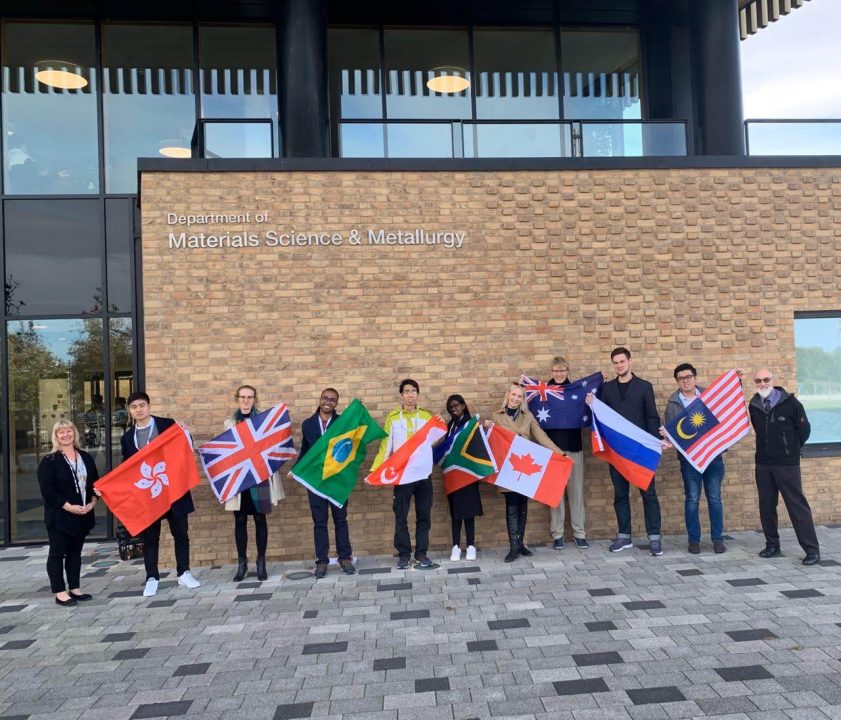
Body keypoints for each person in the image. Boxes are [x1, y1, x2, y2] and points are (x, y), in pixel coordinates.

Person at [120, 391, 200, 596]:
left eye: (142, 405)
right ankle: (152, 577)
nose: (139, 410)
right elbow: (127, 468)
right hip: (149, 495)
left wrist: (186, 434)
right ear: (130, 411)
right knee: (150, 538)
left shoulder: (167, 425)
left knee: (181, 533)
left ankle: (184, 573)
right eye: (134, 407)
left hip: (173, 490)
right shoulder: (127, 438)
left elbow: (186, 450)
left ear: (148, 406)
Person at [588, 347, 664, 556]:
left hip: (641, 450)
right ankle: (624, 536)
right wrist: (592, 404)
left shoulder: (644, 387)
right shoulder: (607, 388)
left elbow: (652, 417)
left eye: (622, 361)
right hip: (617, 452)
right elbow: (603, 417)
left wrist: (655, 443)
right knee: (620, 495)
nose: (619, 365)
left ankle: (655, 538)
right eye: (615, 362)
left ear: (629, 362)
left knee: (649, 495)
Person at [484, 383, 565, 563]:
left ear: (522, 399)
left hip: (525, 469)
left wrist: (560, 453)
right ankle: (513, 547)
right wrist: (486, 426)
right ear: (508, 395)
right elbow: (489, 440)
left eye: (519, 396)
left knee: (523, 506)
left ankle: (520, 544)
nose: (516, 398)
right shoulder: (496, 416)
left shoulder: (527, 417)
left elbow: (541, 436)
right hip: (508, 469)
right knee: (512, 506)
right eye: (513, 395)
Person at [749, 368, 820, 565]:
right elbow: (758, 429)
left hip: (787, 464)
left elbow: (804, 430)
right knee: (767, 506)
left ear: (773, 380)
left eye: (765, 379)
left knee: (797, 506)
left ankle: (812, 549)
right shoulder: (754, 405)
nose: (762, 383)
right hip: (763, 464)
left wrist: (790, 450)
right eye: (758, 381)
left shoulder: (791, 404)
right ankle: (772, 545)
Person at [662, 363, 727, 555]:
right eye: (681, 378)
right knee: (692, 499)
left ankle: (717, 539)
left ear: (695, 377)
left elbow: (723, 421)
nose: (685, 380)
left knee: (714, 499)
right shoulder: (673, 404)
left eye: (688, 376)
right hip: (689, 460)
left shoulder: (709, 397)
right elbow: (671, 433)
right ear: (677, 381)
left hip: (713, 458)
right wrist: (666, 438)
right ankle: (694, 540)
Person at [292, 388, 355, 579]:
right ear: (320, 399)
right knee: (319, 522)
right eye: (325, 398)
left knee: (340, 520)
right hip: (316, 482)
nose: (328, 402)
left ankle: (345, 558)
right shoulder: (308, 424)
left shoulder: (343, 423)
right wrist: (296, 469)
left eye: (333, 400)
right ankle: (322, 561)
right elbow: (305, 450)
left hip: (337, 481)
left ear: (337, 403)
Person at [225, 385, 285, 582]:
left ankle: (261, 562)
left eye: (250, 397)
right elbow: (225, 452)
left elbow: (272, 446)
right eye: (242, 397)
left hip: (259, 476)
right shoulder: (229, 423)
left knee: (260, 519)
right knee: (240, 520)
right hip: (240, 478)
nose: (246, 400)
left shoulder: (264, 422)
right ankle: (242, 563)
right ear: (237, 399)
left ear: (255, 399)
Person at [372, 379, 434, 569]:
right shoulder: (392, 417)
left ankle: (421, 553)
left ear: (417, 394)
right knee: (401, 516)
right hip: (402, 475)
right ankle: (404, 554)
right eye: (406, 391)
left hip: (423, 474)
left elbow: (434, 440)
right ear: (401, 395)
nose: (410, 395)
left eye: (413, 391)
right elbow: (386, 445)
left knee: (424, 515)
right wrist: (376, 470)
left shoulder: (426, 416)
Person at [37, 420, 99, 606]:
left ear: (74, 433)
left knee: (75, 553)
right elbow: (48, 491)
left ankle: (75, 588)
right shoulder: (50, 461)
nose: (65, 434)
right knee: (57, 553)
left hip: (82, 514)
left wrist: (93, 502)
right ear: (55, 436)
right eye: (60, 432)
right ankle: (60, 592)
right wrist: (68, 507)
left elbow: (94, 484)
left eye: (68, 430)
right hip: (60, 516)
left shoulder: (86, 457)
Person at [545, 357, 588, 550]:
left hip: (575, 448)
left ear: (567, 371)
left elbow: (590, 409)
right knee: (555, 494)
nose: (559, 374)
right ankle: (558, 534)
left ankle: (579, 533)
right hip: (553, 451)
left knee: (576, 492)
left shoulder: (578, 391)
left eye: (562, 370)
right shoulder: (543, 393)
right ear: (551, 372)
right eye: (556, 370)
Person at [438, 394, 482, 562]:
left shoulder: (471, 424)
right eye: (450, 408)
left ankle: (471, 545)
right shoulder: (449, 426)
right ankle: (455, 546)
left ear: (463, 405)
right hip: (453, 474)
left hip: (468, 473)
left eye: (456, 406)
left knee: (468, 511)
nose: (454, 409)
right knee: (455, 512)